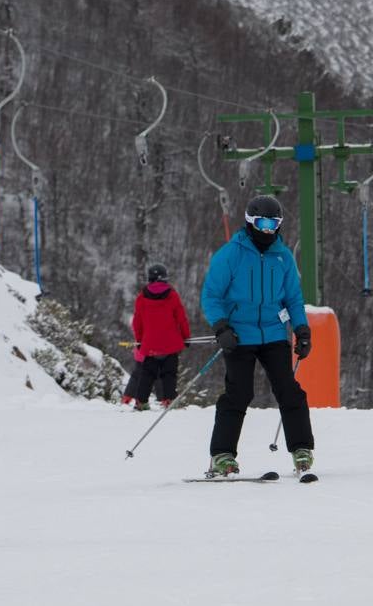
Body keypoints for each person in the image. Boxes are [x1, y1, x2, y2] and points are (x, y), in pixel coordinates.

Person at [202, 195, 314, 477]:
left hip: (274, 333)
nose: (268, 230)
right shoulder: (231, 254)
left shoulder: (283, 256)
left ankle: (301, 449)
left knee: (288, 390)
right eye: (263, 223)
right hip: (239, 335)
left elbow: (293, 298)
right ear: (250, 222)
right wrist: (221, 327)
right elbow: (212, 296)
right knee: (239, 393)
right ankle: (222, 455)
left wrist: (301, 329)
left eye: (273, 224)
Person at [123, 263, 191, 410]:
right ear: (165, 278)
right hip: (171, 345)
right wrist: (186, 337)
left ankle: (141, 402)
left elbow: (137, 322)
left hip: (150, 345)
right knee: (169, 374)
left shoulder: (142, 297)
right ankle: (169, 400)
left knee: (147, 374)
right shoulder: (172, 295)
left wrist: (140, 341)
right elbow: (181, 318)